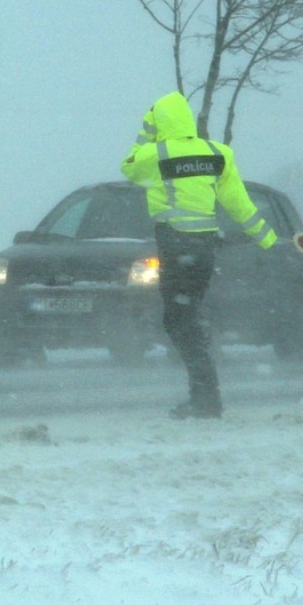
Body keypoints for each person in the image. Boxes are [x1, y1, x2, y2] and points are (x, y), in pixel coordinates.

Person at [121, 92, 276, 419]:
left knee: (180, 321)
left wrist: (147, 129)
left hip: (175, 248)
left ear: (162, 122)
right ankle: (204, 396)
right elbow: (238, 202)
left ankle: (206, 399)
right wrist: (268, 238)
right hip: (203, 251)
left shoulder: (155, 154)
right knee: (186, 317)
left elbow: (129, 167)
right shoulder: (217, 153)